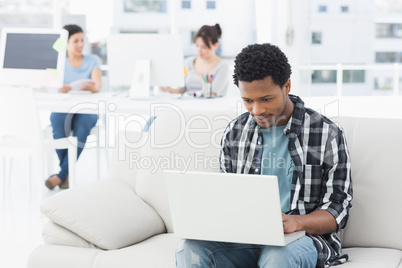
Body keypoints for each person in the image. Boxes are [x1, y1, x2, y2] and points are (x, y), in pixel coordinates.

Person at [176, 43, 353, 267]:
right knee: (190, 249)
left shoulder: (327, 134)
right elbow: (225, 197)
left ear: (286, 86)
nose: (257, 110)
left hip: (303, 239)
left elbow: (338, 208)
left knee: (279, 256)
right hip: (245, 238)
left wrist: (296, 222)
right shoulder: (235, 132)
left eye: (266, 99)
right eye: (248, 101)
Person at [45, 24, 101, 190]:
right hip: (64, 107)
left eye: (82, 40)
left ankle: (61, 175)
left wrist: (91, 87)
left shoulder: (93, 60)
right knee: (56, 119)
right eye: (75, 41)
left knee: (82, 125)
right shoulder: (58, 62)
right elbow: (50, 86)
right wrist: (59, 88)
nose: (80, 44)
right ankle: (65, 175)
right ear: (66, 43)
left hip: (87, 109)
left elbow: (98, 85)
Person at [161, 24, 229, 97]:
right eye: (197, 45)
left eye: (204, 47)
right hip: (189, 104)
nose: (199, 50)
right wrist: (169, 89)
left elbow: (212, 93)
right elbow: (182, 90)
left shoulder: (222, 66)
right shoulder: (190, 62)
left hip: (210, 106)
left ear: (215, 45)